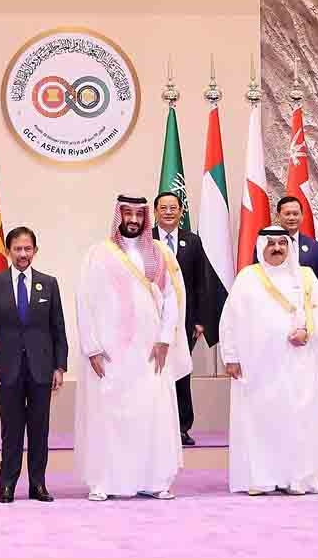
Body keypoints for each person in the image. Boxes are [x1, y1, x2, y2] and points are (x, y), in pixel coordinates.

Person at [75, 195, 191, 502]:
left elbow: (172, 300)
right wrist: (92, 348)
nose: (133, 220)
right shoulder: (97, 255)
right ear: (119, 216)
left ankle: (153, 480)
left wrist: (166, 338)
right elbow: (83, 302)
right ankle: (104, 481)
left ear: (145, 218)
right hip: (110, 354)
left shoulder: (160, 253)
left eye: (138, 215)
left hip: (150, 352)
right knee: (109, 415)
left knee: (151, 414)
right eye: (127, 214)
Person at [221, 226, 318, 495]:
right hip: (257, 368)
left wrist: (308, 331)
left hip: (298, 365)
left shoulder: (305, 277)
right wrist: (231, 356)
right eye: (271, 243)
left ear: (289, 246)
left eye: (282, 243)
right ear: (261, 246)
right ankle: (261, 477)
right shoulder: (247, 278)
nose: (276, 248)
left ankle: (297, 478)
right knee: (260, 421)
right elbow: (229, 320)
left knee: (298, 420)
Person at [0, 226, 67, 503]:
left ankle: (38, 485)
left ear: (35, 251)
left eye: (28, 249)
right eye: (18, 249)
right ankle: (7, 485)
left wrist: (59, 367)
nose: (23, 254)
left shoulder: (48, 283)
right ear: (8, 251)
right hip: (6, 370)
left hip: (41, 369)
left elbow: (58, 329)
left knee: (39, 430)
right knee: (11, 430)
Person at [151, 191, 214, 446]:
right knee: (153, 375)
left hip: (184, 322)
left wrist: (199, 320)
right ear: (155, 212)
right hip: (152, 321)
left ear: (181, 212)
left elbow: (202, 283)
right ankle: (154, 428)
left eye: (173, 208)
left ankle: (182, 428)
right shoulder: (147, 240)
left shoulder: (193, 241)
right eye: (163, 208)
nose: (168, 212)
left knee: (181, 372)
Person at [256, 196, 318, 302]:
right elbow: (257, 279)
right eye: (287, 214)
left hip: (306, 310)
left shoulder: (314, 247)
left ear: (302, 216)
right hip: (273, 306)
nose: (292, 218)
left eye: (295, 214)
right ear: (278, 216)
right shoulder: (265, 246)